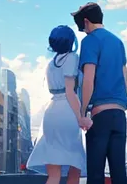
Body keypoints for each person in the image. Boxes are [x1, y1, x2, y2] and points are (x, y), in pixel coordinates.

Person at [72, 2, 127, 184]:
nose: (84, 31)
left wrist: (82, 113)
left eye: (82, 27)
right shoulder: (117, 41)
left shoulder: (90, 41)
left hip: (100, 115)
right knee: (119, 173)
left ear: (87, 22)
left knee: (96, 173)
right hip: (119, 114)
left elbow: (89, 78)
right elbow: (125, 77)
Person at [27, 25, 86, 184]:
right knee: (75, 164)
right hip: (67, 111)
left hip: (51, 112)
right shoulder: (72, 58)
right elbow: (69, 91)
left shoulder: (51, 63)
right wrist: (80, 117)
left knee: (53, 173)